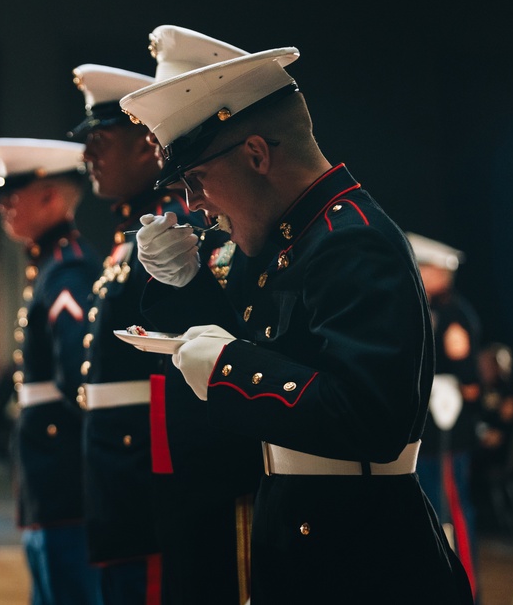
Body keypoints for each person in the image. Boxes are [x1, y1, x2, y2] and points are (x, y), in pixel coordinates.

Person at [121, 40, 474, 603]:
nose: (195, 206)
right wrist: (185, 283)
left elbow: (370, 419)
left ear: (256, 154)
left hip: (361, 557)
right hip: (305, 530)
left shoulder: (352, 240)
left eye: (197, 182)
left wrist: (231, 369)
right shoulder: (295, 239)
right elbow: (248, 342)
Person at [70, 24, 263, 605]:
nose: (89, 155)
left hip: (166, 471)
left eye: (103, 139)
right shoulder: (149, 234)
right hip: (138, 470)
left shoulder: (189, 231)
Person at [0, 137, 104, 605]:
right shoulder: (51, 266)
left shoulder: (69, 270)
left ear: (50, 197)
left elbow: (77, 378)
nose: (3, 208)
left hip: (63, 468)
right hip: (48, 467)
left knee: (68, 588)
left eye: (11, 198)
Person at [407, 232, 482, 598]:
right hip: (426, 433)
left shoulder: (454, 314)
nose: (419, 274)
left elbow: (470, 380)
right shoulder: (424, 309)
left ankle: (468, 587)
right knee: (431, 512)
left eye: (425, 268)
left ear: (441, 272)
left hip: (449, 429)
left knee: (454, 507)